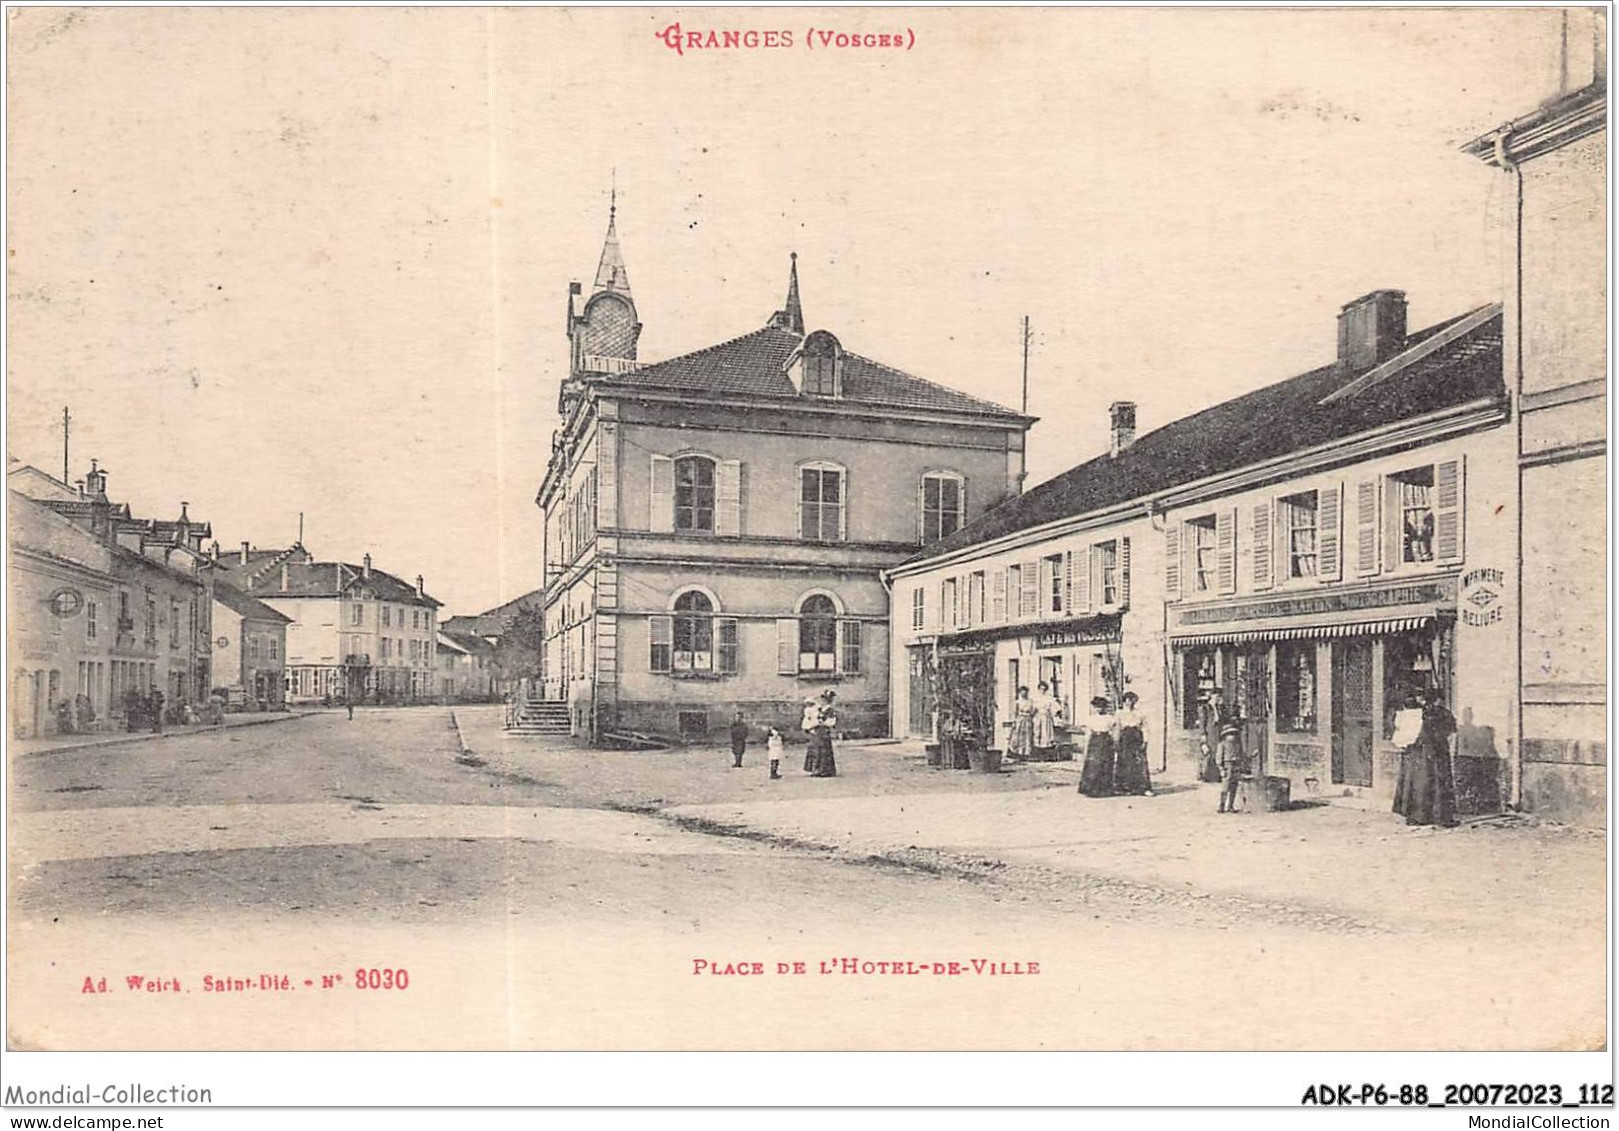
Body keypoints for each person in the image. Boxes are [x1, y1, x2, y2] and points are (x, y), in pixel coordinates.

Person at [1392, 687, 1459, 828]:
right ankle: (1441, 817)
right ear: (1438, 699)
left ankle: (1415, 817)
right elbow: (1451, 731)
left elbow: (1400, 731)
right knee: (1438, 783)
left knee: (1416, 783)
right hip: (1437, 752)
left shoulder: (1412, 714)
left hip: (1416, 753)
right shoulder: (1442, 713)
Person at [1113, 691, 1153, 796]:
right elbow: (1117, 728)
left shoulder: (1139, 713)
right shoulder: (1119, 713)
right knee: (1124, 761)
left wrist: (1145, 741)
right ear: (1124, 701)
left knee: (1139, 762)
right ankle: (1124, 788)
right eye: (1127, 700)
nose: (1130, 702)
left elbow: (1144, 728)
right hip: (1125, 738)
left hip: (1136, 738)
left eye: (1132, 700)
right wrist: (1116, 741)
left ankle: (1143, 788)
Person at [1077, 696, 1117, 797]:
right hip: (1094, 741)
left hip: (1106, 741)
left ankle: (1105, 789)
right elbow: (1088, 733)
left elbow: (1114, 733)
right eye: (1096, 707)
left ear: (1105, 707)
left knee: (1106, 764)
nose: (1098, 709)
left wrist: (1114, 743)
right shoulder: (1091, 719)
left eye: (1101, 707)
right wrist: (1086, 747)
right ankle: (1091, 789)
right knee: (1093, 765)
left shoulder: (1110, 719)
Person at [1196, 685, 1226, 784]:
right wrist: (1203, 735)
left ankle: (1216, 776)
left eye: (1219, 697)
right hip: (1209, 733)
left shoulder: (1219, 708)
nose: (1218, 699)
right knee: (1208, 753)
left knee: (1218, 753)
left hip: (1218, 733)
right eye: (1217, 697)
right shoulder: (1205, 708)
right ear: (1212, 697)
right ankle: (1204, 775)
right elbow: (1202, 723)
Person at [1217, 719, 1248, 813]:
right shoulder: (1222, 745)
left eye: (1233, 733)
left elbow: (1242, 755)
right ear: (1225, 735)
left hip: (1236, 765)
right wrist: (1221, 768)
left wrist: (1243, 764)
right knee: (1225, 787)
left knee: (1234, 786)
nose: (1232, 736)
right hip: (1227, 766)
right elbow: (1219, 758)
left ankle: (1231, 805)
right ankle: (1222, 806)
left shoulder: (1238, 744)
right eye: (1230, 734)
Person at [810, 690, 839, 778]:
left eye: (823, 700)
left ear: (827, 700)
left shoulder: (830, 710)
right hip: (818, 731)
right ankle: (817, 769)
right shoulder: (820, 709)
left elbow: (832, 722)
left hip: (824, 731)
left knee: (824, 750)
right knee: (817, 749)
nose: (821, 701)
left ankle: (825, 770)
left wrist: (823, 723)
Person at [1032, 681, 1062, 759]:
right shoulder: (1035, 698)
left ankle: (1046, 754)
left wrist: (1055, 713)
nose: (1042, 691)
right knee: (1037, 733)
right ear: (1038, 689)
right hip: (1038, 717)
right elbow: (1033, 708)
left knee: (1046, 734)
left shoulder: (1049, 698)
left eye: (1044, 689)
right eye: (1041, 689)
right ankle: (1037, 753)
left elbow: (1056, 708)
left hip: (1046, 717)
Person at [1007, 686, 1035, 762]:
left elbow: (1033, 711)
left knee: (1027, 736)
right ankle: (1017, 753)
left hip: (1028, 719)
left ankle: (1026, 753)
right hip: (1020, 719)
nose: (1024, 694)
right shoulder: (1018, 702)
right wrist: (1014, 721)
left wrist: (1030, 716)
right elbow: (1015, 713)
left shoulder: (1030, 701)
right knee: (1018, 736)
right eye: (1022, 692)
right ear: (1020, 693)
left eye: (1025, 692)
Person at [801, 698, 822, 774]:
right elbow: (809, 720)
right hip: (811, 730)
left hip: (814, 729)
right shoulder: (808, 711)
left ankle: (815, 768)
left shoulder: (815, 710)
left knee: (815, 750)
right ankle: (813, 768)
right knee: (814, 750)